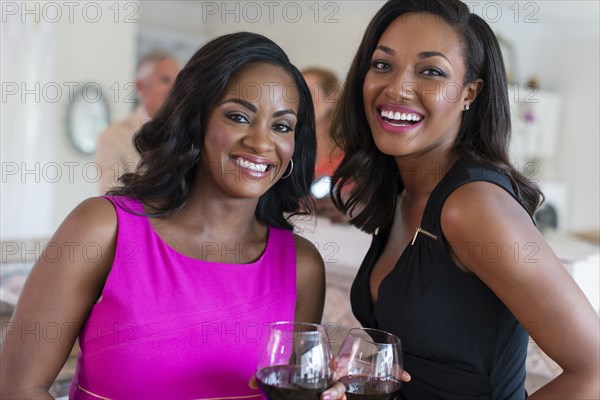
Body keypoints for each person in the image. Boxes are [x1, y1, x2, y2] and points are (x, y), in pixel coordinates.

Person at [0, 32, 346, 399]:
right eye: (238, 117)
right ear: (195, 119)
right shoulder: (102, 229)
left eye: (281, 126)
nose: (262, 143)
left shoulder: (300, 266)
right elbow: (18, 387)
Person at [330, 1, 600, 399]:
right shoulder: (403, 191)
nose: (397, 88)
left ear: (469, 93)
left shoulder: (473, 206)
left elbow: (593, 370)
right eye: (383, 65)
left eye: (431, 72)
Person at [96, 50, 180, 194]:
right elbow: (112, 196)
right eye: (165, 80)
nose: (174, 89)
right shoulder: (113, 136)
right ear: (141, 87)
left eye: (177, 82)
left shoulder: (190, 131)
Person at [302, 67, 347, 224]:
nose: (301, 102)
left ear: (332, 99)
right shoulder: (286, 152)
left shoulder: (353, 157)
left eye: (309, 93)